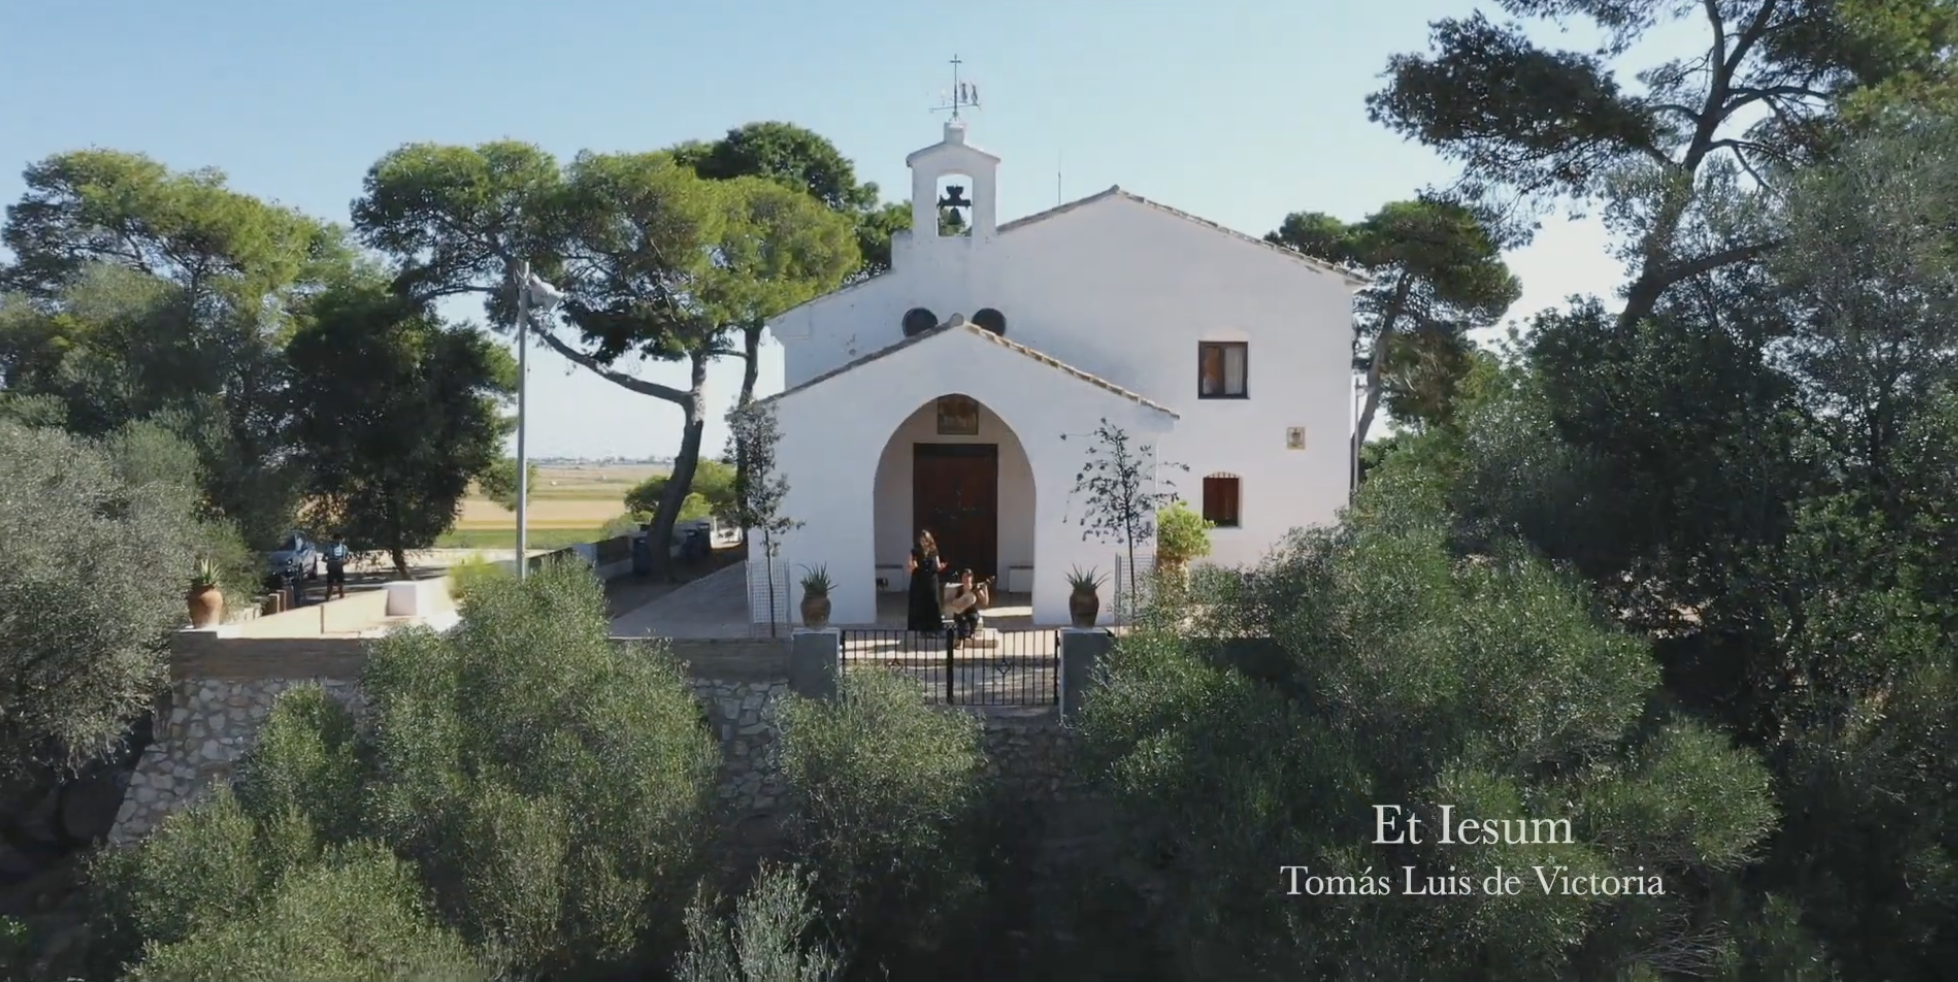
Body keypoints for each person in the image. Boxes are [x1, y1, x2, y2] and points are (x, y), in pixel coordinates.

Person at [905, 530, 948, 633]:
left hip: (931, 581)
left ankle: (934, 627)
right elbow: (909, 568)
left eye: (926, 540)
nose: (924, 542)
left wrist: (941, 567)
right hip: (918, 581)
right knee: (919, 603)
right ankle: (919, 627)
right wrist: (912, 566)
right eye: (922, 540)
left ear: (929, 540)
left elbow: (937, 567)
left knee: (933, 602)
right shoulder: (915, 551)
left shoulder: (934, 551)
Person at [944, 568, 990, 646]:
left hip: (971, 611)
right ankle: (961, 640)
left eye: (969, 576)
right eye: (964, 577)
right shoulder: (959, 589)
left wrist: (985, 589)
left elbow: (985, 602)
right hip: (960, 611)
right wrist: (958, 604)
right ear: (962, 579)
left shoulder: (975, 588)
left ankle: (970, 634)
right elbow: (952, 602)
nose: (967, 579)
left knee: (973, 617)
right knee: (961, 620)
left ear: (971, 578)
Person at [323, 533, 351, 600]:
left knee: (341, 587)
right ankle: (326, 600)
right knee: (330, 587)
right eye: (336, 539)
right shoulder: (329, 547)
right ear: (333, 539)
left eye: (339, 539)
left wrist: (345, 562)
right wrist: (329, 562)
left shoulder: (344, 548)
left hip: (339, 567)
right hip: (331, 568)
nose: (337, 541)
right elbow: (323, 558)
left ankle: (341, 601)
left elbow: (348, 558)